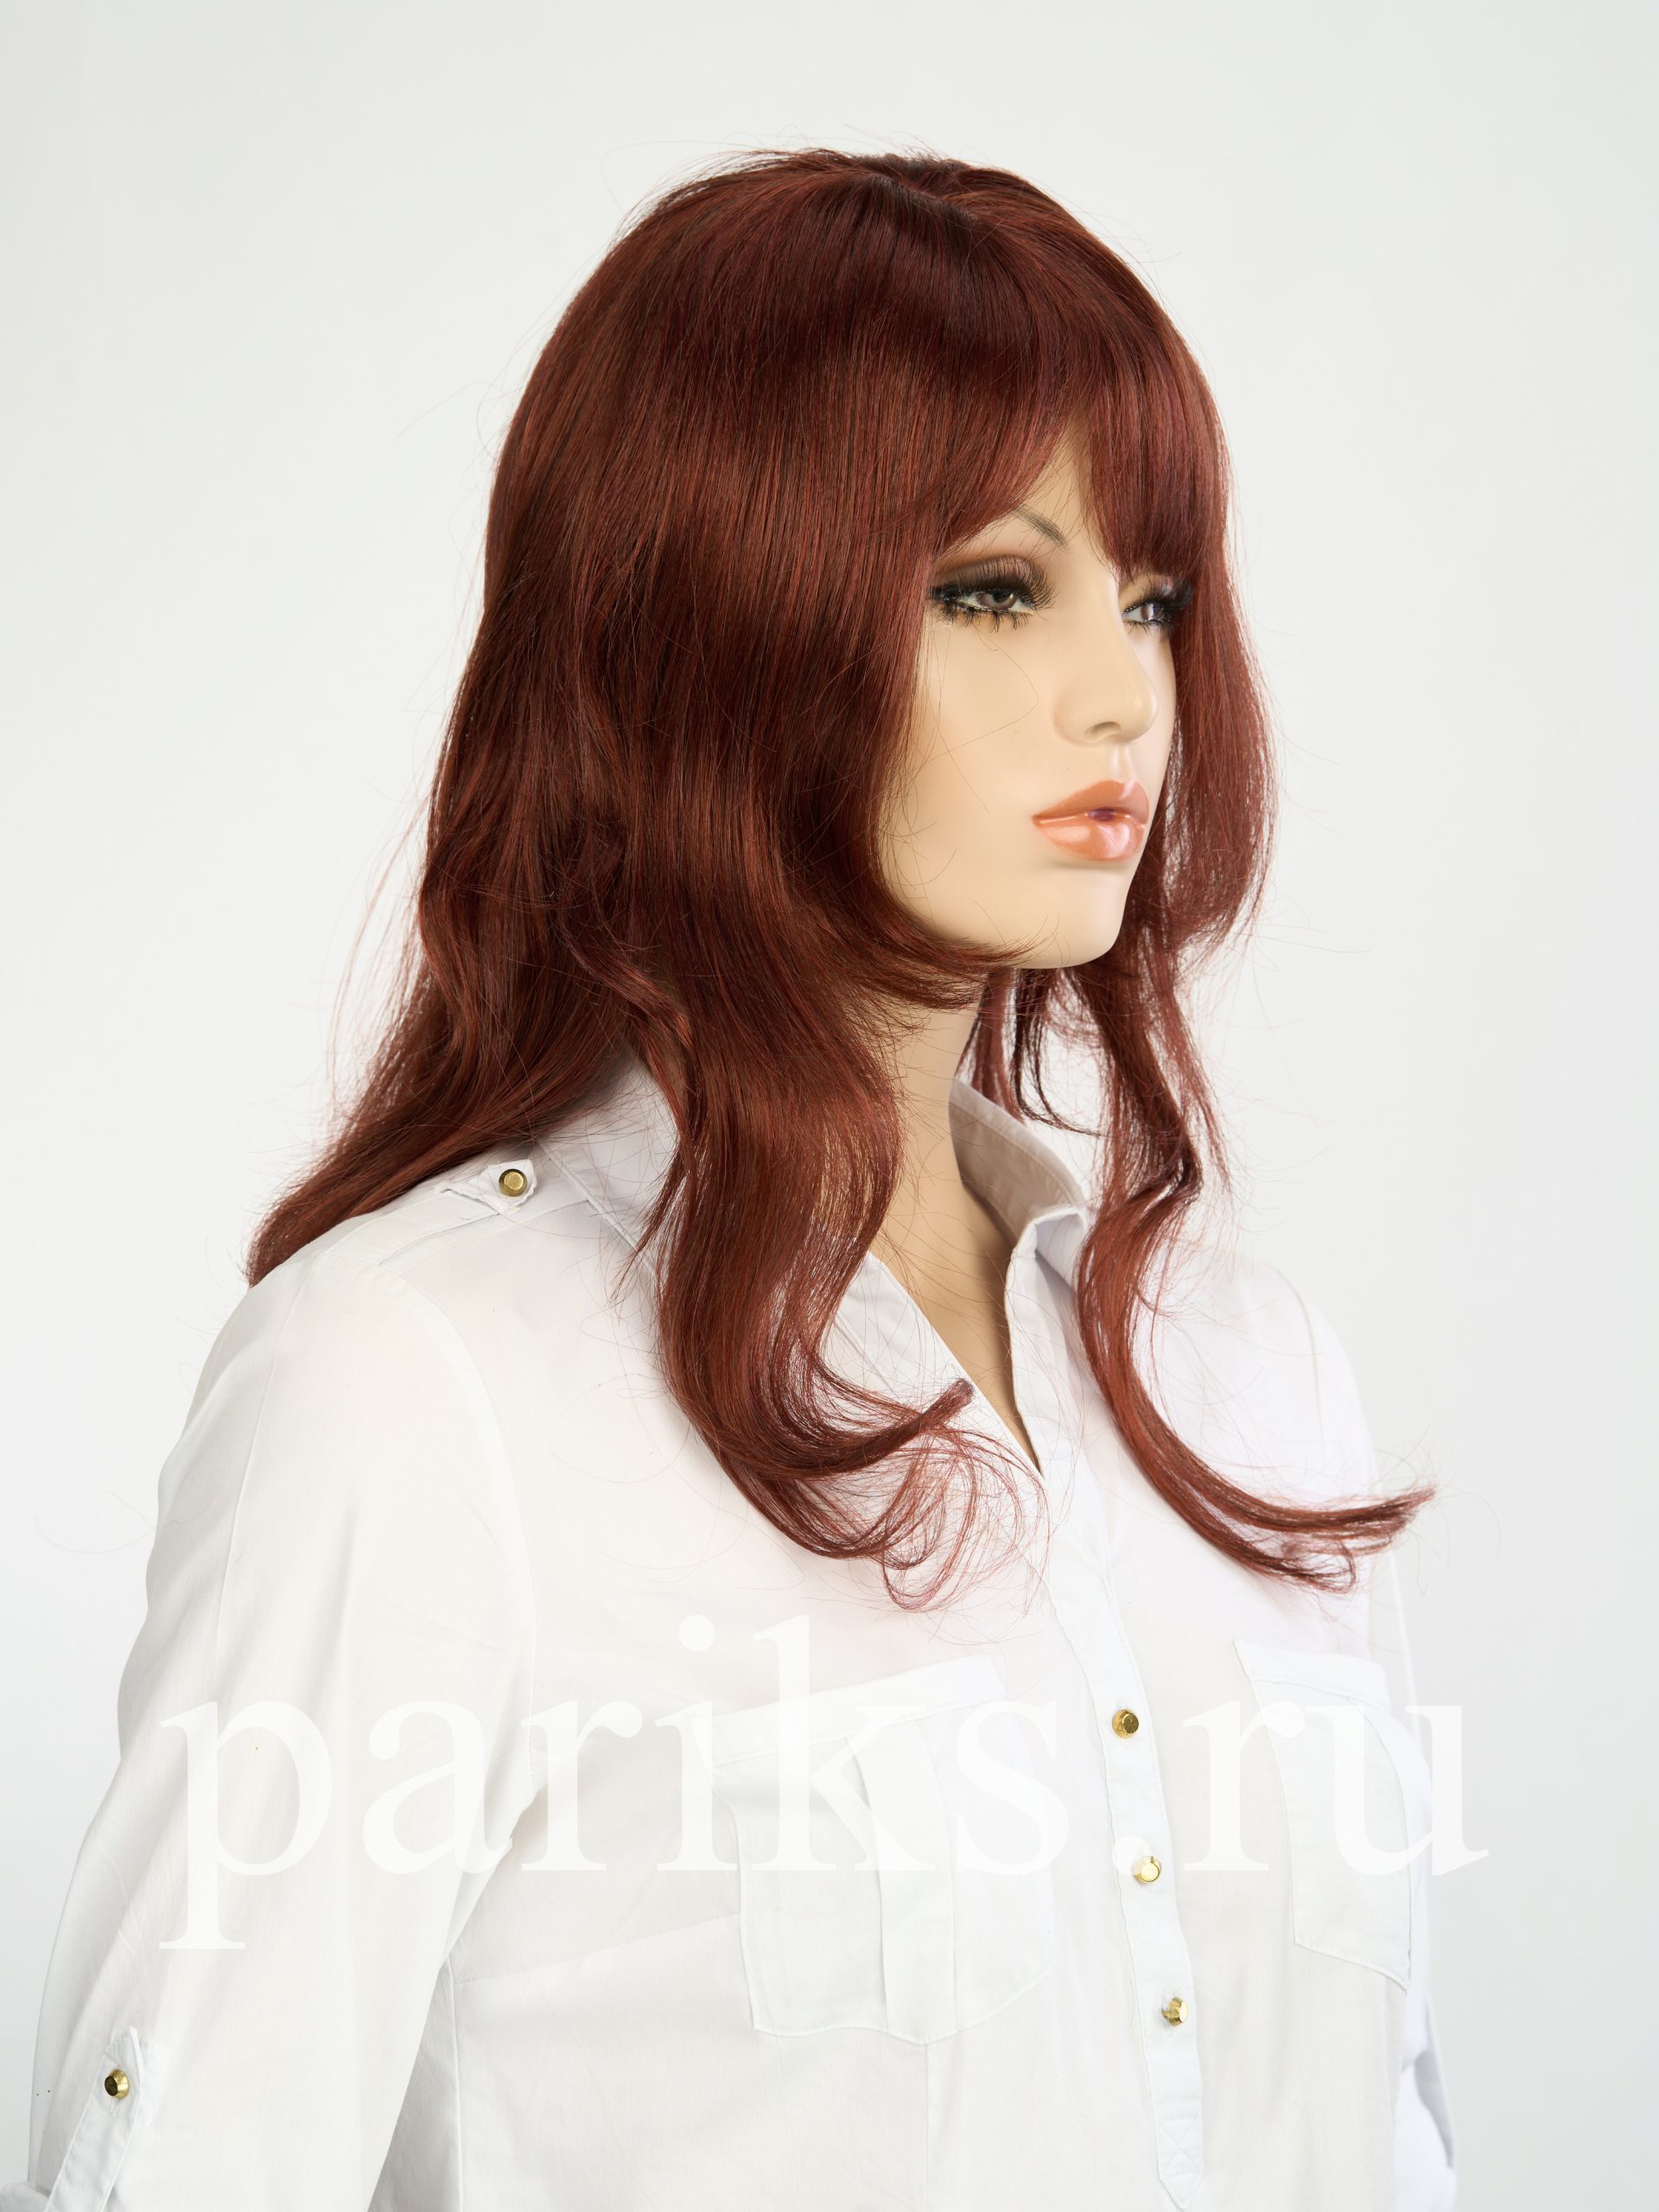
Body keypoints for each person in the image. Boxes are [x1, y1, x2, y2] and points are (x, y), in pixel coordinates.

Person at [3, 148, 1458, 2210]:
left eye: (1151, 594)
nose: (1123, 691)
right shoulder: (416, 1388)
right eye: (994, 588)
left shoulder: (1252, 1375)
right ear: (713, 618)